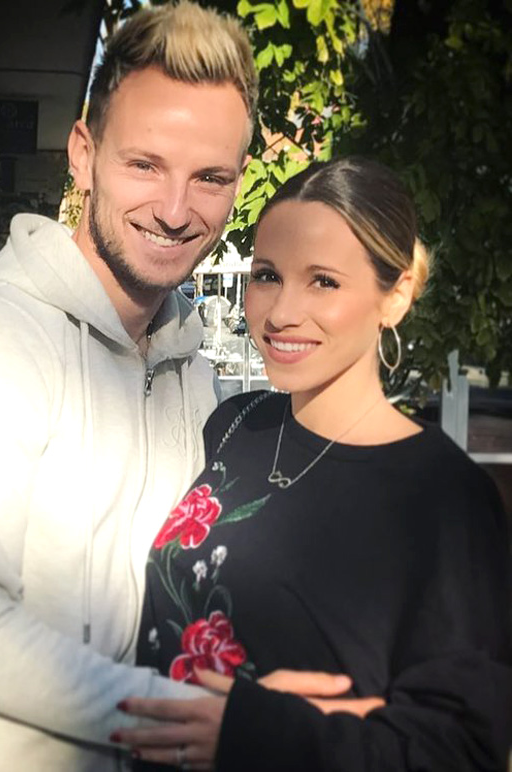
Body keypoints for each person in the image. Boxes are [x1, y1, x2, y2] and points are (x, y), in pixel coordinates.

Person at [0, 4, 259, 771]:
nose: (176, 211)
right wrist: (203, 721)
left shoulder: (194, 375)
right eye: (145, 164)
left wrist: (279, 702)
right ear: (84, 154)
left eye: (209, 177)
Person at [113, 157, 512, 770]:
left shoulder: (446, 498)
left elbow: (460, 750)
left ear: (396, 295)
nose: (281, 312)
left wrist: (265, 731)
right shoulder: (236, 426)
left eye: (323, 281)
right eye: (268, 275)